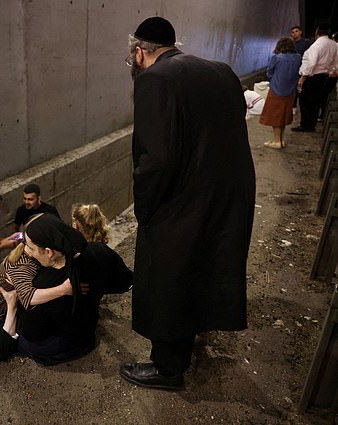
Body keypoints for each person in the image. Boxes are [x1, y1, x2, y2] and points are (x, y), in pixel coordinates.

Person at [122, 17, 255, 390]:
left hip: (184, 200)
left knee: (167, 277)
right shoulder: (220, 71)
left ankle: (167, 368)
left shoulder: (154, 80)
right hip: (228, 193)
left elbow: (157, 159)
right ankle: (187, 338)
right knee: (201, 269)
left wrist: (145, 208)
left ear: (138, 52)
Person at [18, 213, 132, 365]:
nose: (28, 252)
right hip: (88, 329)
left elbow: (31, 332)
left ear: (49, 252)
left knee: (9, 334)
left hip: (65, 345)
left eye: (31, 248)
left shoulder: (44, 285)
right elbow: (123, 283)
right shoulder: (99, 250)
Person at [0, 235, 73, 334]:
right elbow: (29, 297)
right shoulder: (22, 266)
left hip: (10, 308)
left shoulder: (29, 253)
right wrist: (65, 289)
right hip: (0, 323)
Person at [293, 22, 338, 132]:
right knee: (316, 102)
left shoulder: (316, 45)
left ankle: (306, 124)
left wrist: (303, 77)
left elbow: (312, 63)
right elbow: (336, 60)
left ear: (317, 31)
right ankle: (311, 124)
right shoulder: (334, 44)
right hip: (324, 76)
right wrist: (333, 70)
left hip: (312, 77)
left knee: (306, 102)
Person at [260, 37, 301, 149]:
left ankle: (277, 141)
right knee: (283, 116)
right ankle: (281, 139)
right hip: (291, 91)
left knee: (275, 116)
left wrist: (273, 80)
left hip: (277, 90)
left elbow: (269, 72)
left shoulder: (277, 58)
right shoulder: (298, 57)